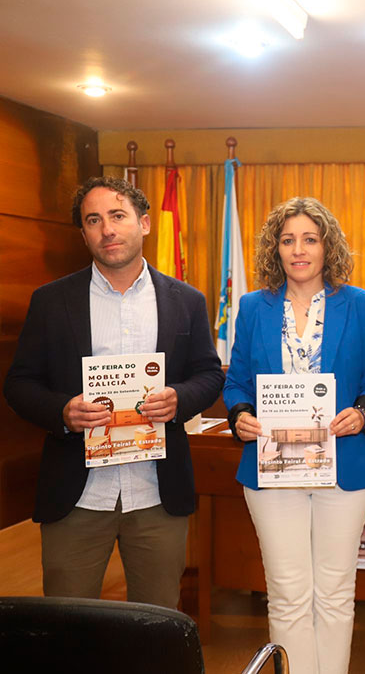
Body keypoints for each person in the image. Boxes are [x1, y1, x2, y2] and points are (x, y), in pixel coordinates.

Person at [3, 176, 224, 609]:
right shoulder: (51, 301)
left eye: (117, 216)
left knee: (156, 628)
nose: (107, 229)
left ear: (143, 223)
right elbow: (19, 383)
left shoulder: (187, 300)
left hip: (157, 493)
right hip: (78, 494)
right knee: (68, 630)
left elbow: (209, 374)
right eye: (93, 220)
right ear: (83, 233)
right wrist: (63, 411)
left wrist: (179, 398)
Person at [223, 197, 365, 674]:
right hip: (272, 469)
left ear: (326, 246)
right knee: (287, 594)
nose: (299, 250)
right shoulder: (254, 307)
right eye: (287, 239)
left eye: (309, 239)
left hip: (345, 467)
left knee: (335, 594)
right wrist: (240, 415)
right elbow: (236, 382)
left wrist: (362, 413)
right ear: (275, 249)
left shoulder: (360, 305)